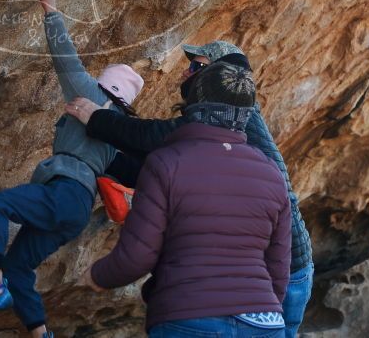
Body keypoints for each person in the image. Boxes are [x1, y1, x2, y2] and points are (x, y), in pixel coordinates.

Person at [66, 42, 314, 337]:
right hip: (270, 294)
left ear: (219, 76)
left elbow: (153, 142)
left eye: (196, 67)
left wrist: (97, 119)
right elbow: (176, 173)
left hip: (260, 287)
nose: (186, 73)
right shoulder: (247, 142)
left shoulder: (223, 121)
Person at [0, 0, 144, 338]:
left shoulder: (92, 96)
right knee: (19, 268)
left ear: (106, 88)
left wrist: (50, 7)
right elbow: (137, 171)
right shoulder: (118, 131)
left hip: (64, 193)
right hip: (76, 211)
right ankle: (42, 334)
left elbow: (65, 58)